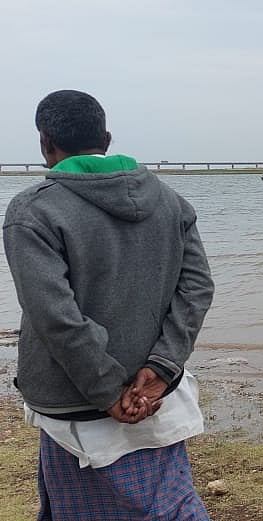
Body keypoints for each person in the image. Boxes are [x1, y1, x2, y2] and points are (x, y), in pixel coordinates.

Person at [3, 90, 214, 520]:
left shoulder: (34, 211)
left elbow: (55, 316)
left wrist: (108, 391)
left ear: (46, 143)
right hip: (156, 396)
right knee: (168, 501)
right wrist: (160, 369)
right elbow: (196, 290)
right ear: (108, 138)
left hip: (77, 401)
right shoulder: (171, 203)